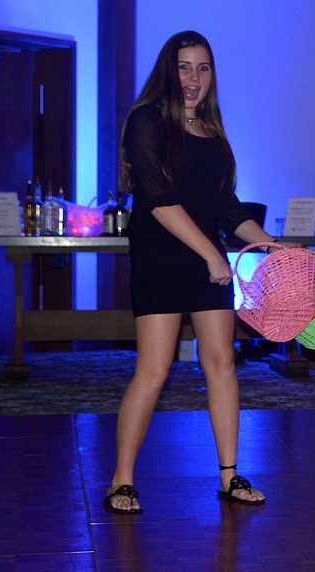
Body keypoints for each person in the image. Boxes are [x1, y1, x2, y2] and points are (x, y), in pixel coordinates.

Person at [105, 31, 287, 513]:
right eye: (184, 67)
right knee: (154, 370)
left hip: (209, 260)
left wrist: (269, 242)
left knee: (222, 364)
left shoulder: (214, 132)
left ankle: (229, 476)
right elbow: (160, 202)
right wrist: (212, 256)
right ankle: (121, 480)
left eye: (202, 68)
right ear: (169, 71)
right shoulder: (145, 121)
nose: (193, 78)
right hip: (162, 257)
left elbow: (227, 207)